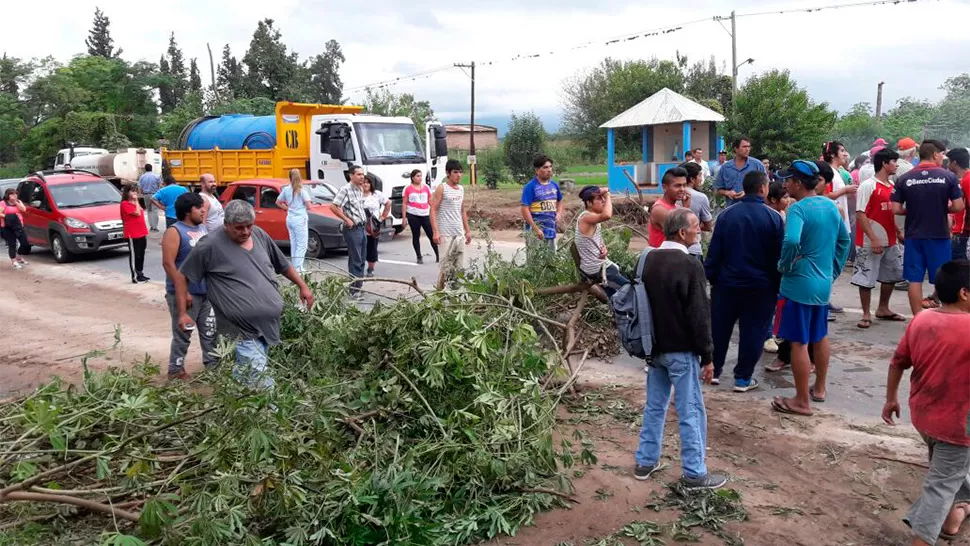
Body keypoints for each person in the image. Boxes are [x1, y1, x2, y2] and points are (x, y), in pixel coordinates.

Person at [176, 200, 314, 389]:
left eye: (249, 226)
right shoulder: (208, 245)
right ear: (226, 225)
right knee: (259, 379)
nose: (246, 232)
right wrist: (183, 312)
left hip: (266, 326)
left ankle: (235, 399)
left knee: (247, 372)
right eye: (239, 228)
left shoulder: (259, 235)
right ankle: (270, 414)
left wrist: (303, 286)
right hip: (240, 328)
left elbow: (283, 265)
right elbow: (184, 276)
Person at [633, 208, 726, 490]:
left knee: (654, 407)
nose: (700, 231)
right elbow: (699, 316)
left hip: (653, 348)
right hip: (681, 351)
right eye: (696, 226)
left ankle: (645, 462)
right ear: (683, 232)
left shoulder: (646, 259)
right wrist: (708, 356)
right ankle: (695, 473)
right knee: (691, 411)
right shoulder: (689, 265)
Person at [882, 260, 970, 546]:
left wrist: (890, 398)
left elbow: (898, 362)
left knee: (947, 471)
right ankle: (924, 537)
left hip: (924, 416)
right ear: (964, 294)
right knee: (940, 486)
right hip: (958, 426)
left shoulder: (922, 319)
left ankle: (953, 516)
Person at [771, 160, 851, 416]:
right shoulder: (830, 205)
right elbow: (844, 240)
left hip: (799, 284)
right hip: (822, 283)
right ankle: (820, 389)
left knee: (798, 343)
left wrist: (784, 264)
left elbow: (792, 239)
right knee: (820, 336)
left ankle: (801, 400)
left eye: (787, 180)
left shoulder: (798, 209)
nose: (785, 184)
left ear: (797, 183)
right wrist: (834, 269)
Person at [705, 171, 784, 391]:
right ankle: (742, 378)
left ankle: (714, 371)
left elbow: (714, 253)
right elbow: (778, 259)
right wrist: (776, 287)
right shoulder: (773, 217)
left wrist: (712, 278)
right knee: (754, 331)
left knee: (719, 330)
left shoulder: (727, 215)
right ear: (762, 189)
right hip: (760, 287)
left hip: (726, 285)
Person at [892, 139, 965, 315]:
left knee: (914, 279)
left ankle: (917, 317)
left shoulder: (905, 178)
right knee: (942, 278)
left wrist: (914, 210)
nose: (943, 158)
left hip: (913, 235)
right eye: (941, 154)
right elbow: (958, 206)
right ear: (934, 154)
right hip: (938, 234)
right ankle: (942, 316)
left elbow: (896, 209)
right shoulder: (948, 177)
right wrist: (940, 208)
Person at [162, 193, 216, 381]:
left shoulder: (202, 228)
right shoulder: (174, 232)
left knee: (210, 331)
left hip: (205, 292)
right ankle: (175, 371)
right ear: (187, 211)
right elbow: (169, 264)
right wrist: (183, 291)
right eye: (198, 207)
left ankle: (214, 368)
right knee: (184, 333)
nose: (203, 210)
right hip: (185, 294)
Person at [852, 148, 905, 328]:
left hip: (890, 239)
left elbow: (890, 214)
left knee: (890, 276)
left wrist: (898, 233)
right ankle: (866, 313)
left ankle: (883, 308)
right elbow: (860, 214)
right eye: (893, 161)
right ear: (884, 163)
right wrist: (873, 238)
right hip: (870, 241)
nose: (896, 165)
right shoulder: (868, 185)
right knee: (866, 277)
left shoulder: (892, 187)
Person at [575, 186, 629, 298]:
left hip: (597, 265)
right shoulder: (586, 217)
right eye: (599, 199)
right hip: (596, 268)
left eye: (603, 198)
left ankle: (619, 310)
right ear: (589, 203)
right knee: (631, 290)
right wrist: (607, 195)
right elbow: (607, 215)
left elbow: (594, 237)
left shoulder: (593, 217)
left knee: (617, 294)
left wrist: (603, 247)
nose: (603, 201)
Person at [431, 159, 472, 290]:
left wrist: (467, 230)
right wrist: (435, 232)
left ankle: (455, 296)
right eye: (455, 172)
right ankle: (440, 295)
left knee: (459, 268)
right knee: (446, 268)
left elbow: (462, 210)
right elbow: (433, 209)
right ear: (448, 173)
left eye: (460, 172)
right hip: (445, 234)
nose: (458, 175)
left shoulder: (460, 189)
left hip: (458, 233)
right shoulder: (442, 188)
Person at [330, 166, 369, 298]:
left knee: (362, 258)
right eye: (358, 174)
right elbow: (333, 206)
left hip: (362, 227)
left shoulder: (359, 189)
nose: (362, 177)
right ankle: (354, 290)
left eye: (362, 174)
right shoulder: (345, 190)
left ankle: (359, 286)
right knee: (355, 259)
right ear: (351, 176)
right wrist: (346, 219)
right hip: (353, 229)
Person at [520, 154, 563, 251]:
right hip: (536, 233)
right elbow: (524, 209)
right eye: (545, 167)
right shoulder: (530, 186)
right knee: (536, 262)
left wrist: (559, 213)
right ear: (537, 170)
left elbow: (560, 200)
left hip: (551, 231)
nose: (549, 170)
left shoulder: (554, 185)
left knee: (550, 261)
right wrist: (536, 229)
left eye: (550, 167)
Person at [276, 169, 312, 272]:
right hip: (300, 219)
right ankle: (298, 268)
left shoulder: (286, 189)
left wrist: (287, 208)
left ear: (290, 177)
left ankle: (295, 266)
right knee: (302, 245)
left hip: (290, 218)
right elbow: (309, 206)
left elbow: (278, 202)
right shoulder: (302, 190)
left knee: (294, 243)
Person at [714, 136, 766, 207]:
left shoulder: (757, 165)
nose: (747, 149)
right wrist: (728, 193)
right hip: (732, 209)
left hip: (754, 208)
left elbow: (766, 186)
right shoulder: (726, 167)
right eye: (744, 147)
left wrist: (748, 193)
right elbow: (718, 190)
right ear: (736, 149)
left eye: (749, 147)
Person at [402, 169, 438, 264]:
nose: (420, 178)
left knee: (431, 235)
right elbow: (404, 203)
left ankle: (438, 255)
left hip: (425, 214)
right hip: (413, 215)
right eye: (417, 176)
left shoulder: (426, 187)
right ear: (413, 178)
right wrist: (404, 218)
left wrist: (435, 210)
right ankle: (419, 256)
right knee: (416, 235)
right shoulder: (407, 188)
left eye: (421, 176)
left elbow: (430, 200)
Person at [648, 167, 688, 248]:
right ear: (664, 187)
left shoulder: (677, 207)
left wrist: (686, 207)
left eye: (684, 185)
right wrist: (686, 208)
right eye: (677, 186)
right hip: (662, 257)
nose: (682, 189)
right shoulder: (660, 209)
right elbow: (682, 235)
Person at [680, 162, 713, 261]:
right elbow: (708, 226)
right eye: (700, 175)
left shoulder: (672, 195)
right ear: (692, 179)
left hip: (674, 247)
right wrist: (695, 226)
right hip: (693, 248)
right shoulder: (701, 197)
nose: (701, 179)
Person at [362, 174, 391, 277]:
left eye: (367, 182)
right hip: (360, 225)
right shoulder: (356, 194)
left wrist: (383, 216)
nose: (365, 184)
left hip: (373, 226)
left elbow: (388, 203)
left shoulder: (376, 194)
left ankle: (371, 268)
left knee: (372, 247)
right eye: (363, 182)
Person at [120, 184, 149, 283]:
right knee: (135, 254)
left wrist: (135, 201)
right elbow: (137, 212)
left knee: (141, 253)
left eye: (135, 191)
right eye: (132, 191)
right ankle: (134, 275)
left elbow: (140, 211)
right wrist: (136, 200)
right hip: (132, 233)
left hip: (141, 231)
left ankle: (140, 273)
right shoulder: (125, 204)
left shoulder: (134, 203)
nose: (134, 193)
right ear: (127, 193)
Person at [946, 148, 970, 261]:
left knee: (959, 268)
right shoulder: (963, 179)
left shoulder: (967, 180)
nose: (947, 164)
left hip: (963, 232)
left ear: (954, 163)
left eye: (949, 161)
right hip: (961, 232)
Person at [1, 188, 28, 270]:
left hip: (18, 225)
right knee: (12, 244)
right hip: (7, 226)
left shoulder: (18, 202)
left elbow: (24, 210)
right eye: (12, 194)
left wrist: (16, 202)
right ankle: (14, 261)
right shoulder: (3, 203)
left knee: (24, 243)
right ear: (8, 195)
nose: (15, 195)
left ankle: (19, 255)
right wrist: (8, 217)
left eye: (15, 194)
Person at [138, 164, 162, 233]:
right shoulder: (156, 176)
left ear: (145, 169)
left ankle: (151, 226)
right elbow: (160, 185)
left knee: (149, 210)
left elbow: (140, 187)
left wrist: (142, 194)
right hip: (155, 195)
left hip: (146, 195)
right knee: (154, 210)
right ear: (152, 168)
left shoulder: (142, 177)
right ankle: (155, 227)